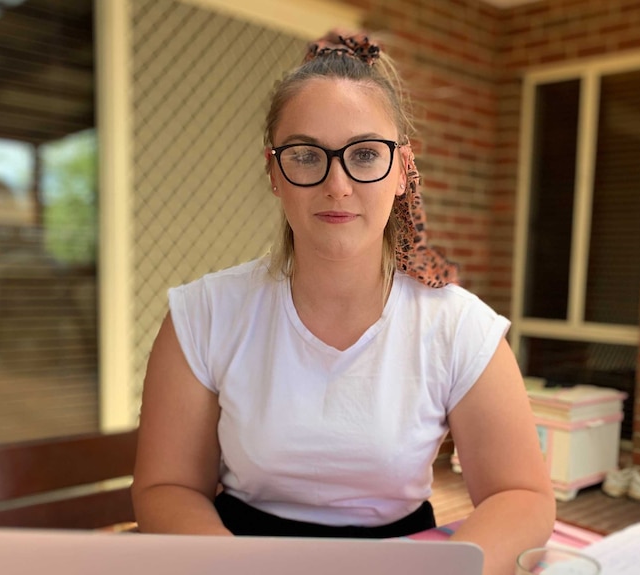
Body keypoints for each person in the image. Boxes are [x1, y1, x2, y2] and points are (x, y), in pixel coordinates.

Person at [131, 31, 555, 575]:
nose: (337, 184)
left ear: (403, 169)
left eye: (364, 154)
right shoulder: (205, 314)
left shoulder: (458, 326)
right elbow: (168, 487)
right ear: (273, 171)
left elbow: (521, 495)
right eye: (306, 155)